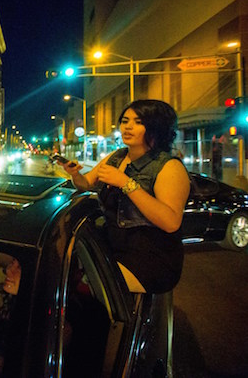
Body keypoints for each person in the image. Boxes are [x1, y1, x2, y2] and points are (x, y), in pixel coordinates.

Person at [57, 99, 189, 293]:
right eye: (125, 120)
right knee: (62, 271)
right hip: (112, 248)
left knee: (79, 289)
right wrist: (75, 173)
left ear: (156, 127)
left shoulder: (169, 167)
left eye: (138, 122)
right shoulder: (116, 156)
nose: (128, 126)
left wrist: (126, 183)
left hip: (150, 259)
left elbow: (171, 222)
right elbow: (86, 184)